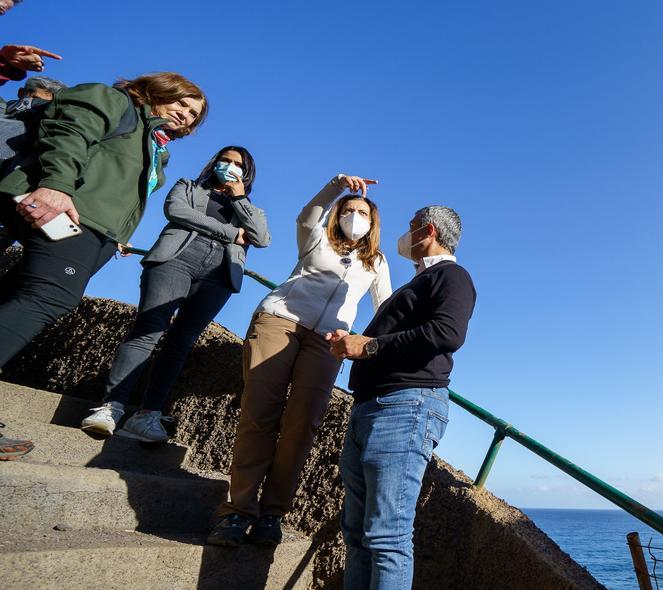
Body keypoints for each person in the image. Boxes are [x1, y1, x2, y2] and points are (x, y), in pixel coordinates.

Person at [0, 72, 206, 460]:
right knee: (50, 296)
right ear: (157, 91)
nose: (186, 116)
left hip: (96, 231)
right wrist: (57, 185)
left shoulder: (155, 143)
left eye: (194, 115)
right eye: (181, 103)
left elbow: (120, 188)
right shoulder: (113, 101)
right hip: (67, 210)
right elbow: (69, 133)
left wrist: (118, 234)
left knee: (18, 294)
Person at [206, 174, 391, 548]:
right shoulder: (317, 237)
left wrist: (372, 345)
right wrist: (335, 186)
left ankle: (272, 513)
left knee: (302, 424)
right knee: (260, 413)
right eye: (349, 210)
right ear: (338, 213)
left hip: (328, 341)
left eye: (363, 214)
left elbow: (385, 308)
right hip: (281, 320)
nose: (355, 216)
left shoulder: (376, 261)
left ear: (373, 224)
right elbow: (308, 214)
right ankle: (237, 511)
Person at [330, 205, 475, 590]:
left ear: (427, 231)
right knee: (358, 535)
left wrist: (368, 344)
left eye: (412, 226)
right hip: (373, 406)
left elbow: (447, 333)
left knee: (387, 537)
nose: (404, 233)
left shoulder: (452, 277)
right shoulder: (412, 287)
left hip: (406, 408)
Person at [80, 147, 270, 441]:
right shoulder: (188, 187)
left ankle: (148, 414)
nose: (230, 167)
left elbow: (261, 238)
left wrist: (239, 198)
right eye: (225, 160)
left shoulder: (249, 208)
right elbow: (177, 211)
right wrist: (231, 233)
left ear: (247, 174)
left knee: (180, 343)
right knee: (147, 331)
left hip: (219, 276)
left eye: (238, 165)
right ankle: (111, 407)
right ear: (214, 163)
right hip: (176, 260)